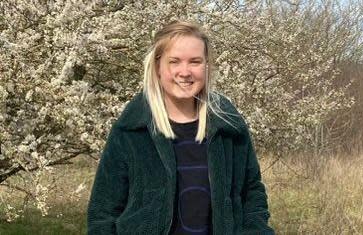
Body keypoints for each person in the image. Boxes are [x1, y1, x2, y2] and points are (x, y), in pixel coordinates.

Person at [87, 20, 275, 235]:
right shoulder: (131, 129)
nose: (184, 72)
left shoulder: (228, 126)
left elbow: (252, 196)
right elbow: (103, 211)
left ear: (206, 66)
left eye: (194, 61)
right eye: (174, 61)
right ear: (158, 67)